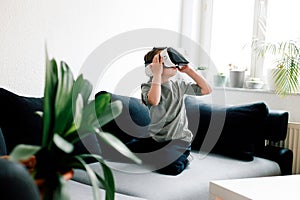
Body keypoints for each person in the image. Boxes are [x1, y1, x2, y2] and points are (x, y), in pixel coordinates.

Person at [127, 47, 212, 175]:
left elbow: (206, 90)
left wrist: (189, 71)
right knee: (126, 151)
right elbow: (154, 100)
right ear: (152, 67)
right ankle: (157, 155)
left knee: (170, 168)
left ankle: (184, 158)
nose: (172, 64)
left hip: (179, 141)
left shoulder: (179, 85)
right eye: (163, 61)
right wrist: (156, 74)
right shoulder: (147, 87)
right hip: (156, 140)